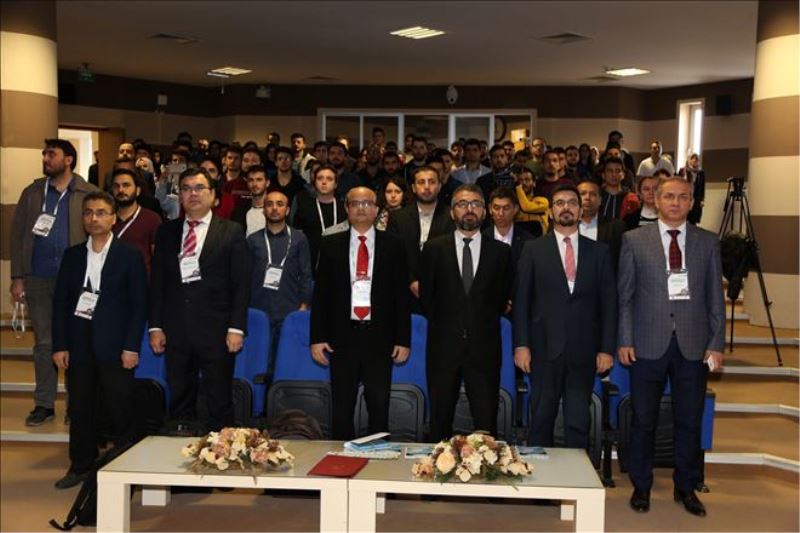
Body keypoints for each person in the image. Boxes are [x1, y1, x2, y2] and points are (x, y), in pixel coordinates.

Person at [618, 176, 725, 517]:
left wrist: (716, 343)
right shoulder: (634, 240)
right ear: (655, 200)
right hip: (647, 343)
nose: (675, 202)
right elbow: (625, 296)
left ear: (692, 202)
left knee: (689, 420)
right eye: (669, 196)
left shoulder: (708, 242)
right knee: (643, 420)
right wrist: (625, 338)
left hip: (694, 345)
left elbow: (715, 299)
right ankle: (641, 485)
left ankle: (686, 487)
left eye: (683, 197)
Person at [51, 191, 147, 489]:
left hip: (117, 347)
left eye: (101, 212)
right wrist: (60, 345)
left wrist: (131, 346)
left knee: (120, 408)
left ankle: (126, 467)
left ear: (114, 218)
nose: (94, 218)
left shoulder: (129, 255)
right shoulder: (72, 256)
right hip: (79, 346)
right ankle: (81, 465)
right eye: (89, 212)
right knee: (80, 409)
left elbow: (139, 306)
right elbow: (61, 303)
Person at [513, 183, 617, 449]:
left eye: (572, 202)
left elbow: (609, 304)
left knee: (578, 421)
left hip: (584, 351)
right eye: (559, 203)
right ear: (551, 211)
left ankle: (577, 475)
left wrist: (607, 349)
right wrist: (521, 345)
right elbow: (522, 302)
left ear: (581, 211)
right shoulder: (533, 250)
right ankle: (542, 475)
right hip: (543, 349)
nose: (566, 207)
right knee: (541, 418)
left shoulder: (600, 252)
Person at [148, 167, 250, 431]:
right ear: (180, 196)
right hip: (176, 330)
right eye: (186, 189)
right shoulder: (166, 232)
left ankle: (221, 452)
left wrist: (237, 327)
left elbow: (241, 284)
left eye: (199, 188)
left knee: (219, 399)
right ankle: (181, 448)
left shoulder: (231, 231)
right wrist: (155, 326)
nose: (193, 194)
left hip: (217, 331)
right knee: (180, 398)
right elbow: (158, 282)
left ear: (213, 195)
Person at [310, 187, 411, 440]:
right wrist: (317, 337)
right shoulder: (330, 244)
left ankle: (378, 458)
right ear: (347, 209)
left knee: (379, 406)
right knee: (342, 409)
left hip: (380, 337)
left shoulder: (394, 245)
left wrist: (403, 339)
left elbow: (401, 296)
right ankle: (341, 458)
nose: (361, 208)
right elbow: (321, 295)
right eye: (355, 203)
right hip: (342, 337)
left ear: (377, 209)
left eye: (367, 203)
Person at [10, 139, 97, 426]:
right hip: (38, 277)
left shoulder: (88, 193)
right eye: (44, 154)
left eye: (51, 154)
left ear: (68, 159)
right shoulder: (33, 192)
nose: (45, 159)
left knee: (77, 341)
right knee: (44, 344)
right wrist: (18, 276)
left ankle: (77, 404)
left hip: (76, 280)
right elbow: (18, 234)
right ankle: (44, 404)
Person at [419, 184, 513, 442]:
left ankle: (487, 467)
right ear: (452, 212)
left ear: (484, 212)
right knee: (440, 421)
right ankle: (439, 466)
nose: (469, 209)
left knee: (486, 424)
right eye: (462, 204)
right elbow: (427, 298)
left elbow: (501, 299)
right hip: (443, 349)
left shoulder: (501, 253)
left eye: (475, 204)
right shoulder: (434, 249)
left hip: (484, 349)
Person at [248, 191, 313, 376]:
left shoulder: (299, 238)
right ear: (263, 210)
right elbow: (244, 277)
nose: (274, 208)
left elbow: (306, 274)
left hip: (290, 310)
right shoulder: (253, 240)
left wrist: (304, 306)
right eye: (269, 204)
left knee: (286, 364)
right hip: (259, 310)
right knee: (260, 365)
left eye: (279, 204)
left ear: (287, 210)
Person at [386, 166, 454, 311]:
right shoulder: (398, 218)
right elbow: (393, 254)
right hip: (405, 291)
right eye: (421, 182)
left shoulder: (452, 216)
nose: (427, 187)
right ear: (413, 188)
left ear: (439, 186)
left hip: (443, 292)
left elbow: (453, 255)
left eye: (432, 182)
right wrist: (411, 280)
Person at [291, 164, 346, 270]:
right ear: (314, 183)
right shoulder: (304, 207)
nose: (324, 182)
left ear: (336, 184)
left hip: (339, 264)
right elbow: (296, 238)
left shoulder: (344, 209)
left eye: (329, 179)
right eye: (320, 178)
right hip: (310, 264)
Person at [110, 168, 162, 276]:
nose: (120, 190)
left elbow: (158, 260)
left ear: (137, 190)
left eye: (126, 185)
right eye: (116, 186)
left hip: (141, 281)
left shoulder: (152, 219)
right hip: (111, 280)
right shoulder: (106, 218)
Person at [577, 180, 627, 270]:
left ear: (600, 200)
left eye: (593, 194)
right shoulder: (562, 226)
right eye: (583, 194)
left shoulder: (617, 227)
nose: (587, 197)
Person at [483, 187, 534, 269]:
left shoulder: (528, 242)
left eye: (506, 208)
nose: (501, 213)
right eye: (496, 208)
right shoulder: (482, 238)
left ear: (515, 209)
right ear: (490, 209)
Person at [232, 165, 270, 236]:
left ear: (267, 183)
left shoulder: (275, 209)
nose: (254, 184)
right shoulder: (240, 210)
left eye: (259, 180)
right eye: (251, 180)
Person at [514, 167, 549, 237]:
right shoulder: (514, 203)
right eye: (520, 180)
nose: (523, 183)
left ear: (534, 183)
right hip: (521, 240)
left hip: (540, 240)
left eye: (527, 179)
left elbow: (526, 207)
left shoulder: (543, 201)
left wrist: (518, 187)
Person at [679, 153, 706, 225]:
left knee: (693, 219)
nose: (694, 160)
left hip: (696, 198)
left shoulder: (701, 173)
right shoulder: (683, 170)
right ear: (689, 160)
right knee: (684, 217)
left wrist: (702, 200)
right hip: (685, 197)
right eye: (692, 158)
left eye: (696, 159)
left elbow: (702, 187)